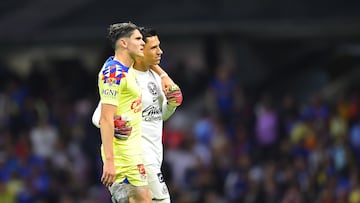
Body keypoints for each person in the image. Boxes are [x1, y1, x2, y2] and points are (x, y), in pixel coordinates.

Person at [93, 27, 183, 203]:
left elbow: (158, 116)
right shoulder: (119, 74)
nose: (160, 51)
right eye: (153, 47)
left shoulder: (156, 79)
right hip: (136, 155)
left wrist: (171, 105)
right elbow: (100, 116)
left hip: (153, 153)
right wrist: (114, 124)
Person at [97, 22, 151, 203]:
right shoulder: (113, 73)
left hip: (134, 154)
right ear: (123, 43)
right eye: (138, 39)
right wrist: (110, 162)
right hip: (122, 158)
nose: (143, 43)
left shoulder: (128, 70)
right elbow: (105, 118)